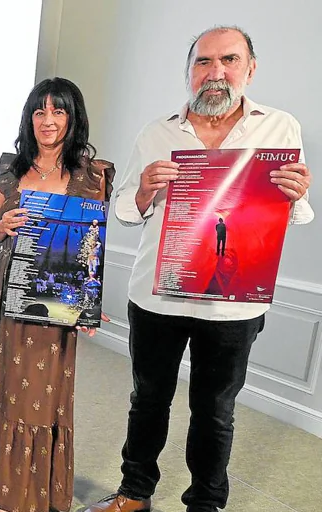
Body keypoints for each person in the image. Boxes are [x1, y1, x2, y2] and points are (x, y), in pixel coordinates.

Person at [81, 26, 313, 512]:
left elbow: (291, 211)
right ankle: (134, 493)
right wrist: (144, 190)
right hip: (157, 295)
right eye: (203, 62)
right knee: (148, 400)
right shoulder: (157, 132)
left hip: (233, 303)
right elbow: (124, 207)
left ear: (250, 68)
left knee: (215, 411)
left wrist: (295, 197)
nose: (215, 73)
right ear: (190, 72)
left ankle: (205, 504)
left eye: (228, 60)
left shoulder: (280, 128)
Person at [0, 77, 114, 512]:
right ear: (29, 118)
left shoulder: (91, 175)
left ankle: (30, 486)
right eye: (40, 111)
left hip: (55, 296)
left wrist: (89, 305)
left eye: (57, 111)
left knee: (41, 388)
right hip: (6, 289)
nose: (48, 120)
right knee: (3, 380)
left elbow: (92, 246)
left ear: (72, 117)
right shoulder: (11, 167)